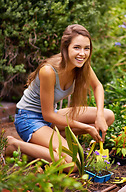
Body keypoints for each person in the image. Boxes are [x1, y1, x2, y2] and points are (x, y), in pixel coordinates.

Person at [6, 24, 114, 172]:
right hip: (29, 119)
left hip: (51, 118)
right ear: (66, 47)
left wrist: (100, 116)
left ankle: (44, 146)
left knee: (108, 116)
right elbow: (48, 114)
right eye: (77, 47)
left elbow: (98, 86)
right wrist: (86, 127)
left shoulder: (81, 65)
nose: (82, 53)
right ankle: (14, 145)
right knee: (75, 163)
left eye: (86, 48)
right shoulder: (48, 71)